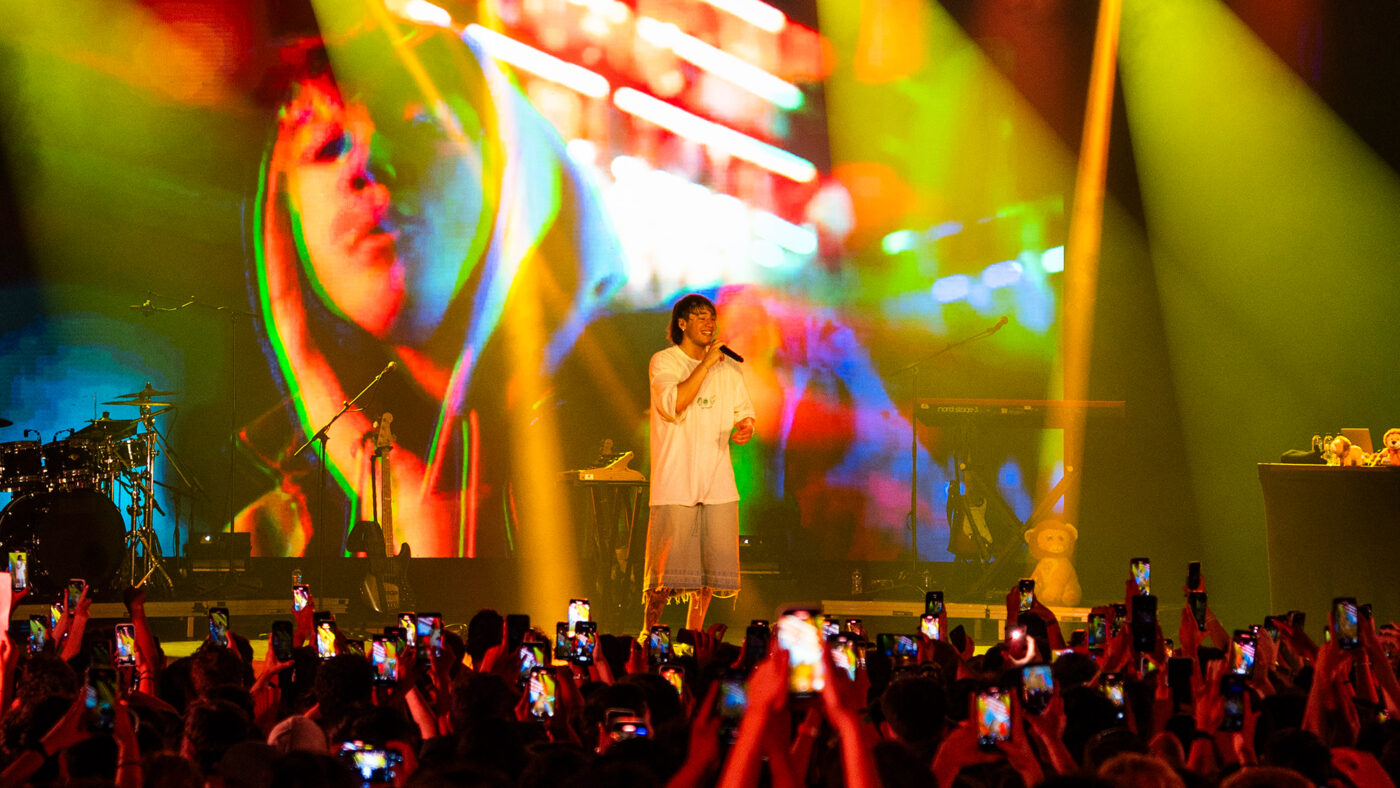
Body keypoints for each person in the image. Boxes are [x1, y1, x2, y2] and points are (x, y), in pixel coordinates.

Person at [240, 14, 622, 559]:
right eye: (325, 146)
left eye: (421, 128)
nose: (367, 163)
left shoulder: (649, 463)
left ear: (511, 173)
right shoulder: (274, 540)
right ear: (285, 222)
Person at [643, 294, 756, 632]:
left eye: (712, 317)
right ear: (682, 323)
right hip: (676, 482)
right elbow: (674, 403)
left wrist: (745, 427)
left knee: (708, 571)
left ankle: (693, 635)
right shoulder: (664, 362)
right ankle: (649, 633)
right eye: (700, 317)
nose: (710, 323)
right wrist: (706, 364)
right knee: (667, 571)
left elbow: (745, 412)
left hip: (718, 482)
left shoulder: (729, 367)